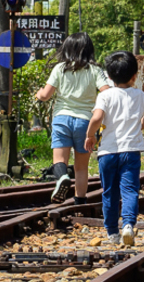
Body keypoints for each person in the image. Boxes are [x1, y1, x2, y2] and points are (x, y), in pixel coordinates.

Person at [85, 51, 144, 246]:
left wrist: (90, 135)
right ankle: (128, 226)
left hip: (107, 153)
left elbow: (97, 118)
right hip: (131, 151)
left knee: (109, 192)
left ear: (109, 76)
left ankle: (112, 233)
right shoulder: (139, 95)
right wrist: (138, 126)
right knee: (130, 190)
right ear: (134, 76)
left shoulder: (105, 95)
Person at [36, 33, 110, 204]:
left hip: (62, 119)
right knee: (81, 167)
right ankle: (80, 201)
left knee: (59, 160)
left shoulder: (60, 68)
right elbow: (106, 92)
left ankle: (62, 177)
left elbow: (46, 95)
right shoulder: (95, 70)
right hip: (85, 122)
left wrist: (39, 93)